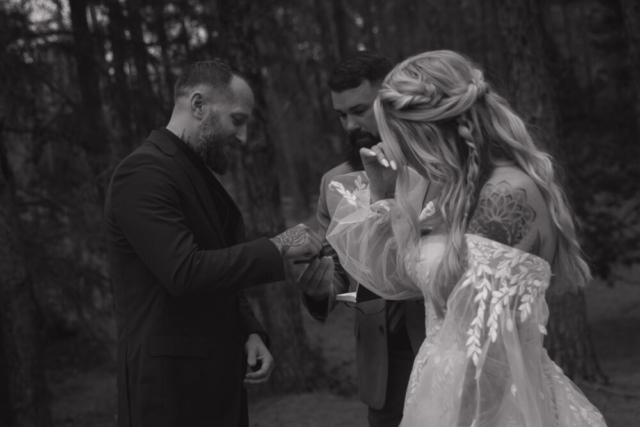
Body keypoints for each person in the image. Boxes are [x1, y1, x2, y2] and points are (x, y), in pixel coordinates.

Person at [326, 50, 607, 426]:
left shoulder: (505, 196)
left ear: (432, 129)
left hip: (485, 406)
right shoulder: (455, 192)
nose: (397, 152)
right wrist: (383, 195)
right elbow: (399, 279)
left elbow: (488, 351)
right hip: (439, 390)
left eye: (401, 137)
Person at [104, 60, 322, 427]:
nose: (243, 137)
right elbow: (185, 271)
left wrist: (249, 329)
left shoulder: (190, 171)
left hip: (215, 385)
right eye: (238, 120)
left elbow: (217, 263)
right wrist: (279, 245)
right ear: (199, 105)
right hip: (170, 396)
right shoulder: (142, 173)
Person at [294, 51, 437, 427]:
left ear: (390, 99)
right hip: (382, 359)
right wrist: (318, 287)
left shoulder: (438, 165)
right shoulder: (335, 184)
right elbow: (339, 268)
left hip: (441, 341)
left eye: (360, 110)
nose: (349, 126)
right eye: (341, 115)